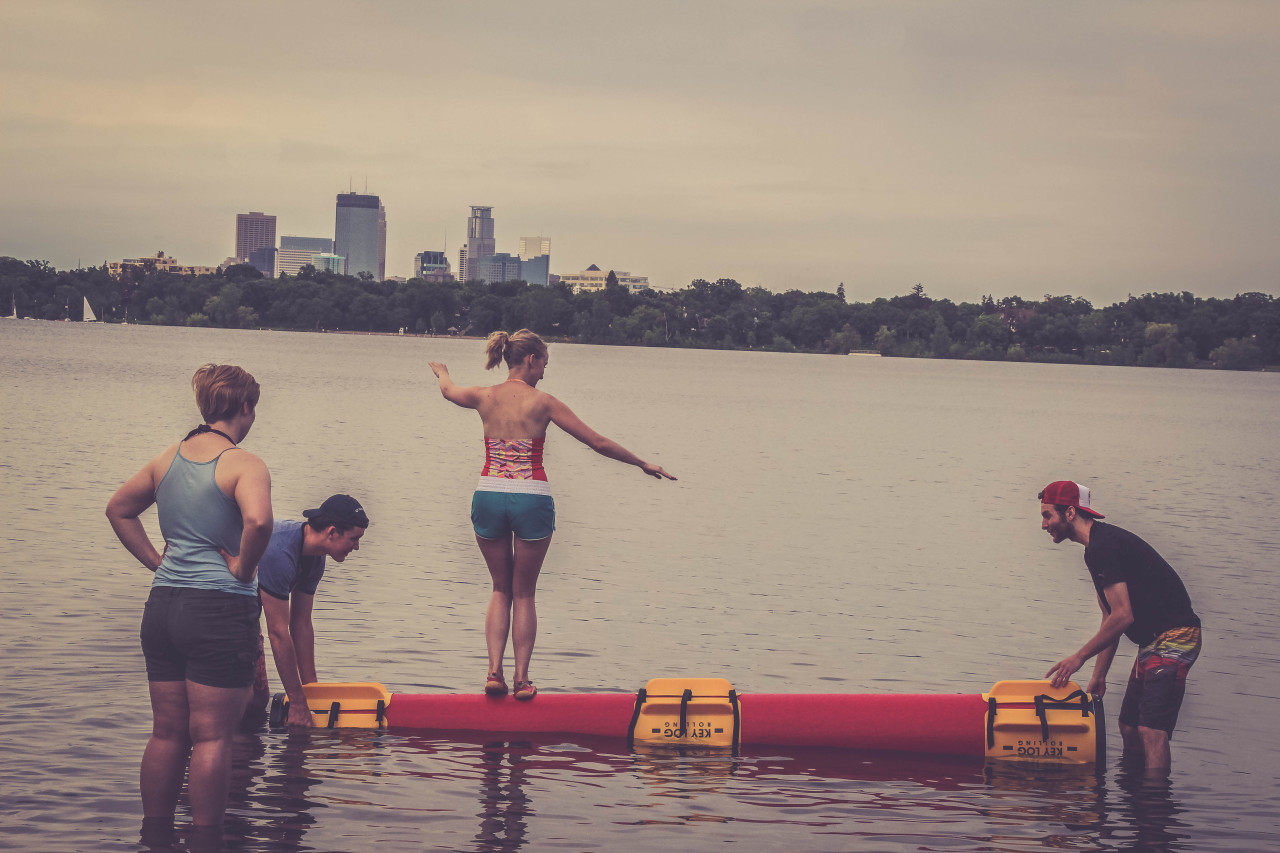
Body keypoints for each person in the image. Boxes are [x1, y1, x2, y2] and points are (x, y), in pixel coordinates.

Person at [428, 329, 675, 701]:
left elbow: (448, 391)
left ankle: (493, 673)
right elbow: (598, 442)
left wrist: (442, 372)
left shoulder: (483, 396)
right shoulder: (543, 402)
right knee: (523, 593)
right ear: (531, 360)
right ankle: (522, 680)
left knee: (499, 588)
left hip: (490, 494)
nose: (544, 371)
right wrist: (641, 462)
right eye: (544, 363)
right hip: (531, 497)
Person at [106, 364, 273, 832]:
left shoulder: (167, 459)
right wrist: (241, 567)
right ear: (245, 407)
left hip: (163, 606)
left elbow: (118, 509)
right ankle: (206, 841)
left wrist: (157, 563)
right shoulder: (245, 463)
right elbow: (259, 523)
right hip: (218, 607)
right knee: (212, 737)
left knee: (167, 732)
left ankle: (155, 836)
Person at [1039, 480, 1202, 775]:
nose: (1043, 524)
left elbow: (1123, 617)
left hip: (1176, 636)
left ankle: (1154, 806)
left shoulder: (1104, 548)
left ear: (1071, 513)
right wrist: (1098, 676)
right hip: (1153, 641)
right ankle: (1134, 792)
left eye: (1048, 515)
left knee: (1151, 730)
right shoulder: (1095, 549)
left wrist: (1078, 658)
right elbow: (1110, 617)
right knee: (1128, 727)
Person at [246, 494, 370, 728]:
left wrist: (313, 695)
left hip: (248, 611)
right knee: (243, 698)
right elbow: (278, 633)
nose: (357, 547)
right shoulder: (279, 553)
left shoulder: (316, 558)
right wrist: (298, 703)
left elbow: (301, 625)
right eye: (354, 539)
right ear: (332, 532)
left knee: (258, 698)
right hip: (217, 603)